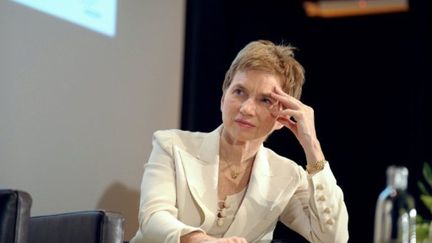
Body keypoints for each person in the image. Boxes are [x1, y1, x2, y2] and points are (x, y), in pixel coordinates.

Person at [130, 40, 349, 243]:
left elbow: (332, 238)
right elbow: (153, 218)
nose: (246, 108)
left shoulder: (287, 176)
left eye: (265, 100)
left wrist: (312, 145)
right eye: (239, 92)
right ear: (223, 97)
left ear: (283, 116)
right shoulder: (171, 145)